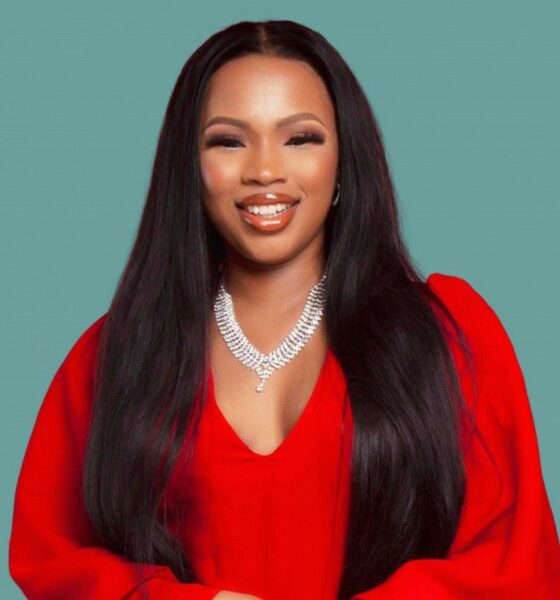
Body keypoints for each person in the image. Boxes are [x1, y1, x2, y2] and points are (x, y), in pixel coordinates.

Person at [9, 19, 560, 600]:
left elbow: (518, 565)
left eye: (300, 138)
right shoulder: (116, 354)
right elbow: (48, 559)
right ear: (189, 167)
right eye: (229, 141)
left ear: (345, 160)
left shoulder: (448, 335)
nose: (265, 171)